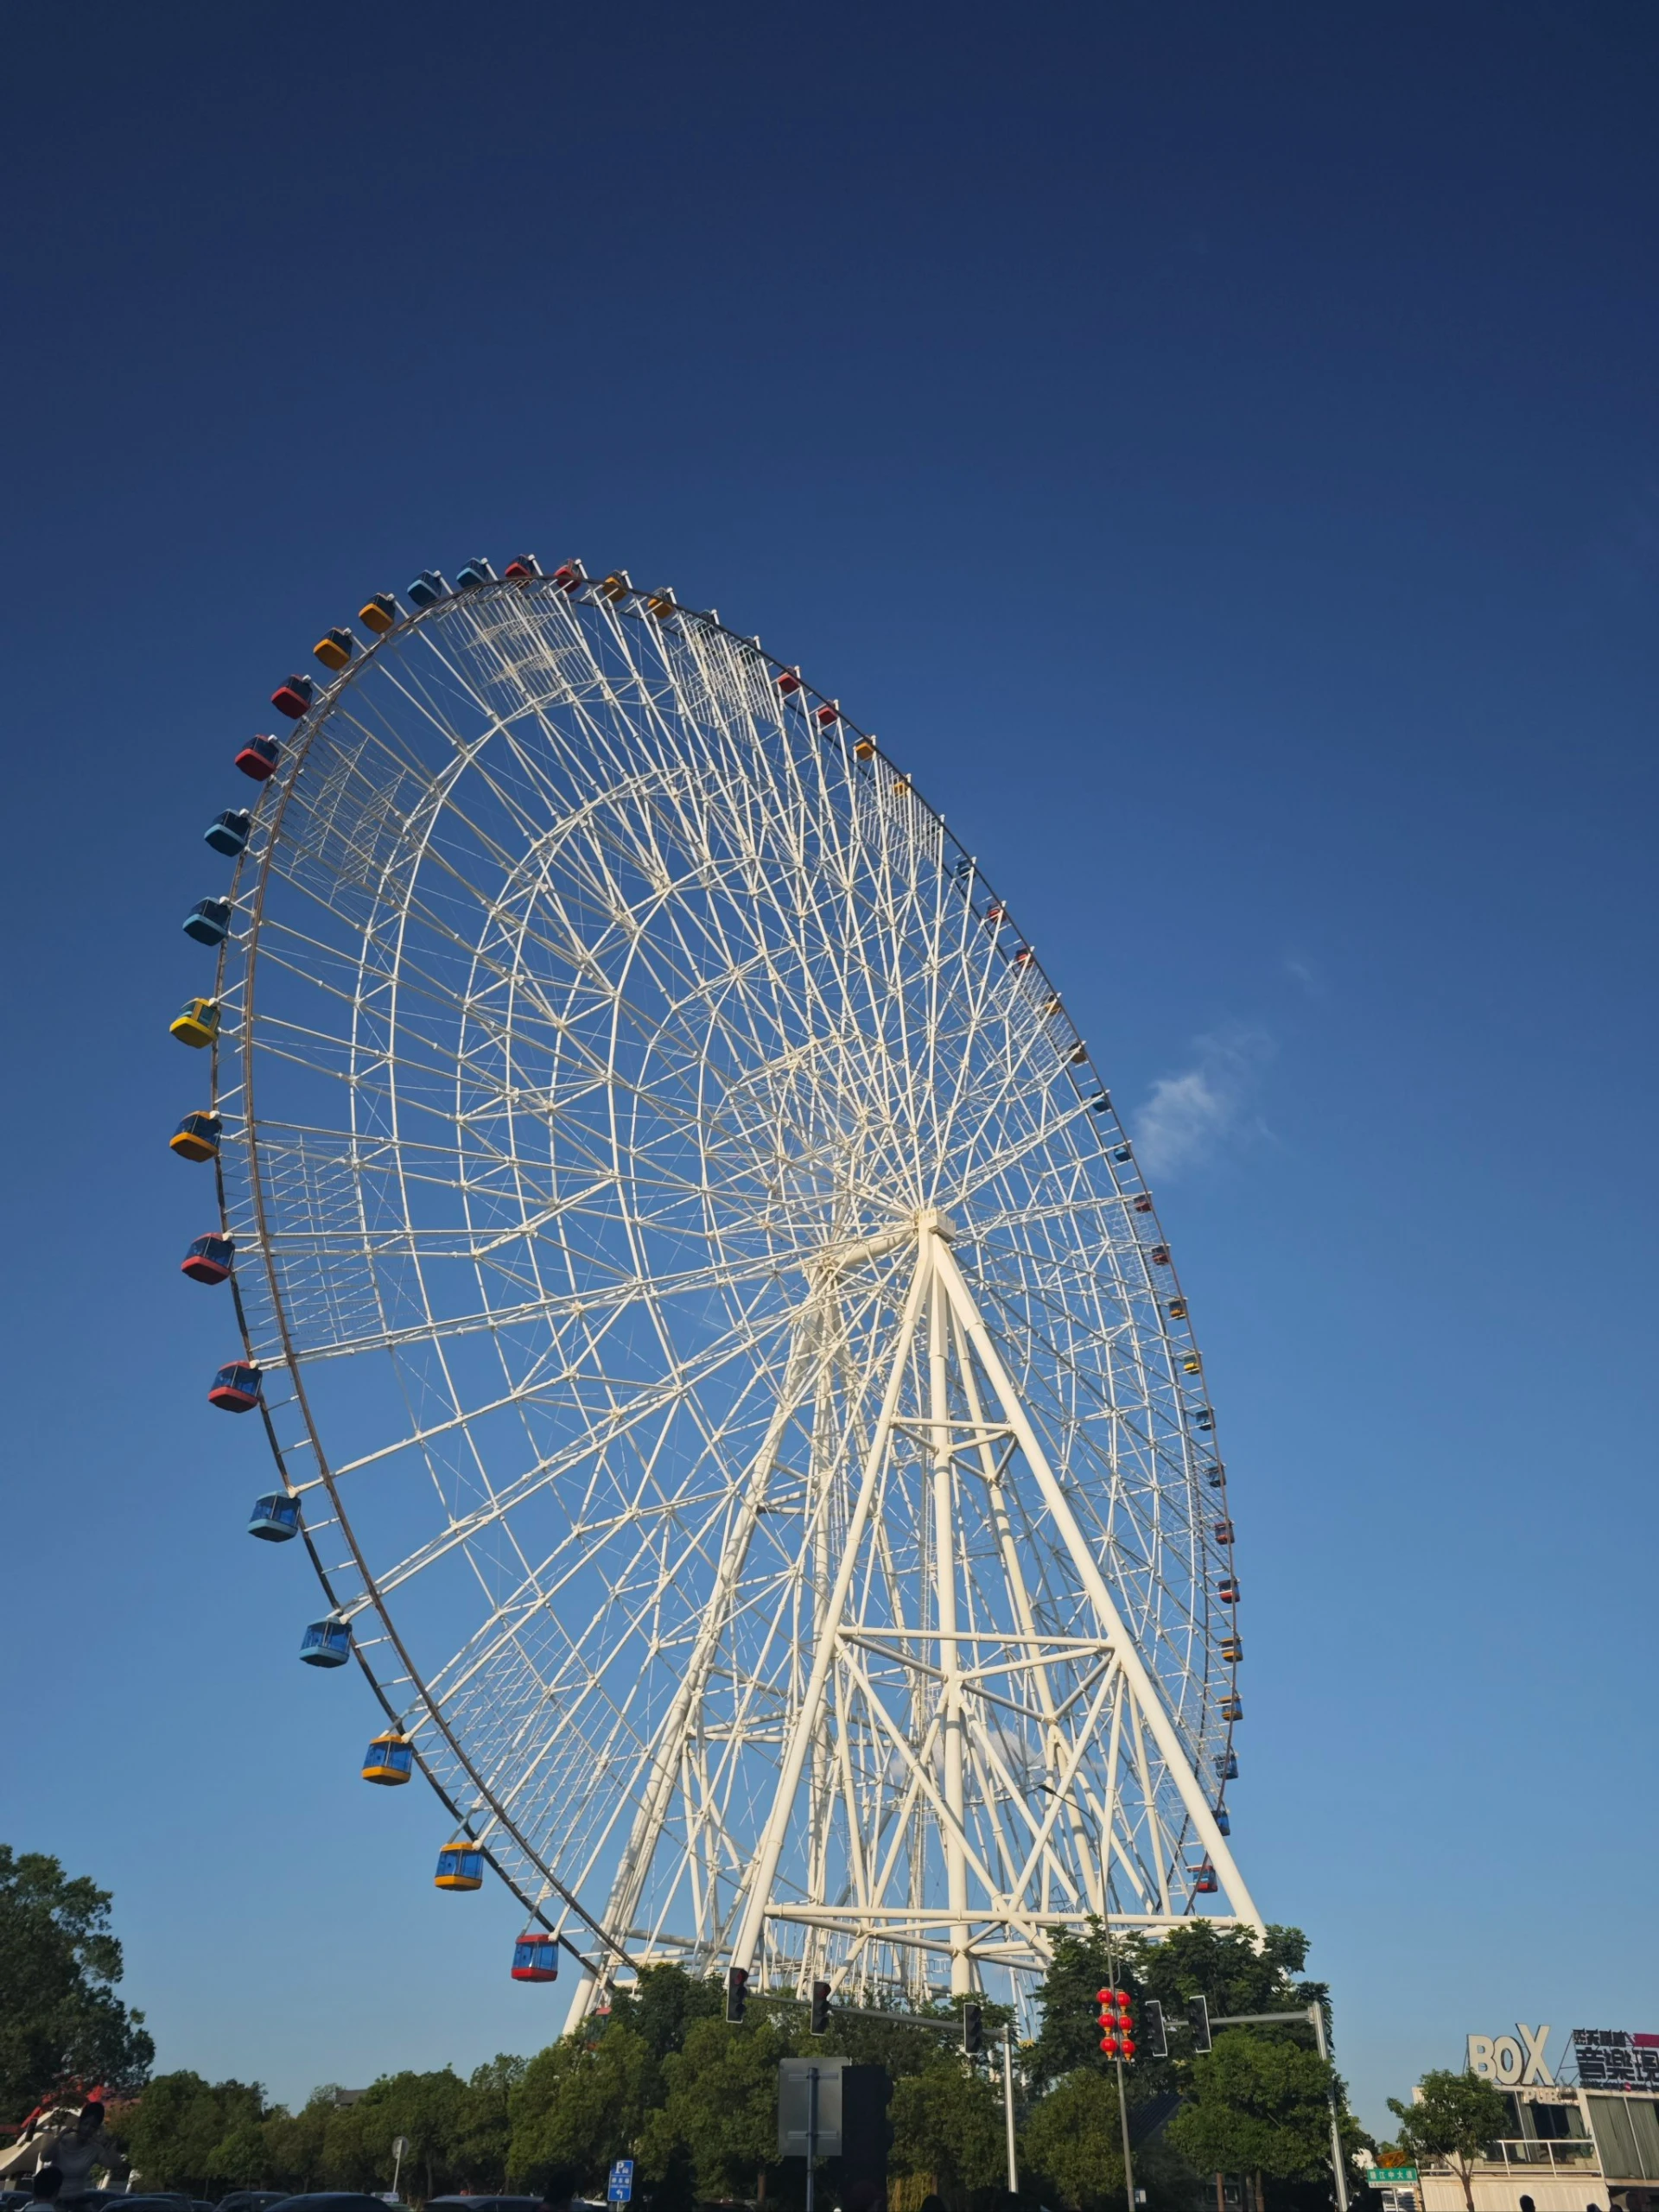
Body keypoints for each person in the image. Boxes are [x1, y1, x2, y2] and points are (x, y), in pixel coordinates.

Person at [44, 2106, 118, 2205]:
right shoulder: (63, 2141)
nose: (87, 2129)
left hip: (77, 2200)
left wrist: (106, 2144)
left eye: (93, 2127)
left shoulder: (95, 2149)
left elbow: (114, 2164)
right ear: (79, 2123)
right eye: (85, 2124)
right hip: (54, 2201)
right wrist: (61, 2135)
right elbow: (44, 2157)